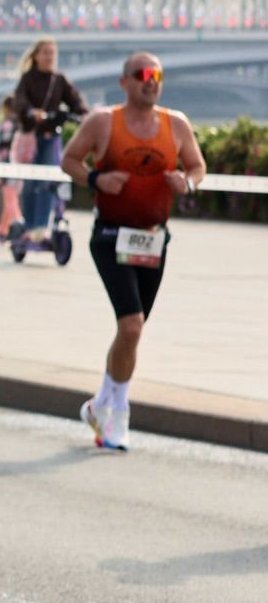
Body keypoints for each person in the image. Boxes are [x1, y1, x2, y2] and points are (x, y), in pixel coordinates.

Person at [61, 54, 206, 451]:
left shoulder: (176, 124)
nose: (151, 81)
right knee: (132, 326)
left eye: (157, 75)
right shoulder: (103, 121)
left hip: (153, 238)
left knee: (131, 332)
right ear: (124, 82)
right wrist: (96, 178)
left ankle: (99, 405)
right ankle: (120, 414)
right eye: (142, 75)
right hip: (111, 235)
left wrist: (187, 182)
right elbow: (69, 160)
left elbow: (197, 166)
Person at [10, 38, 88, 241]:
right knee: (30, 183)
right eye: (45, 52)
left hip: (52, 137)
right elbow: (20, 100)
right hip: (31, 139)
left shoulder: (59, 80)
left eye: (52, 53)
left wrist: (85, 116)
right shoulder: (28, 78)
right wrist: (31, 111)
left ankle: (41, 227)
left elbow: (75, 101)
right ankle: (29, 225)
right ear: (36, 56)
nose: (49, 57)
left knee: (48, 183)